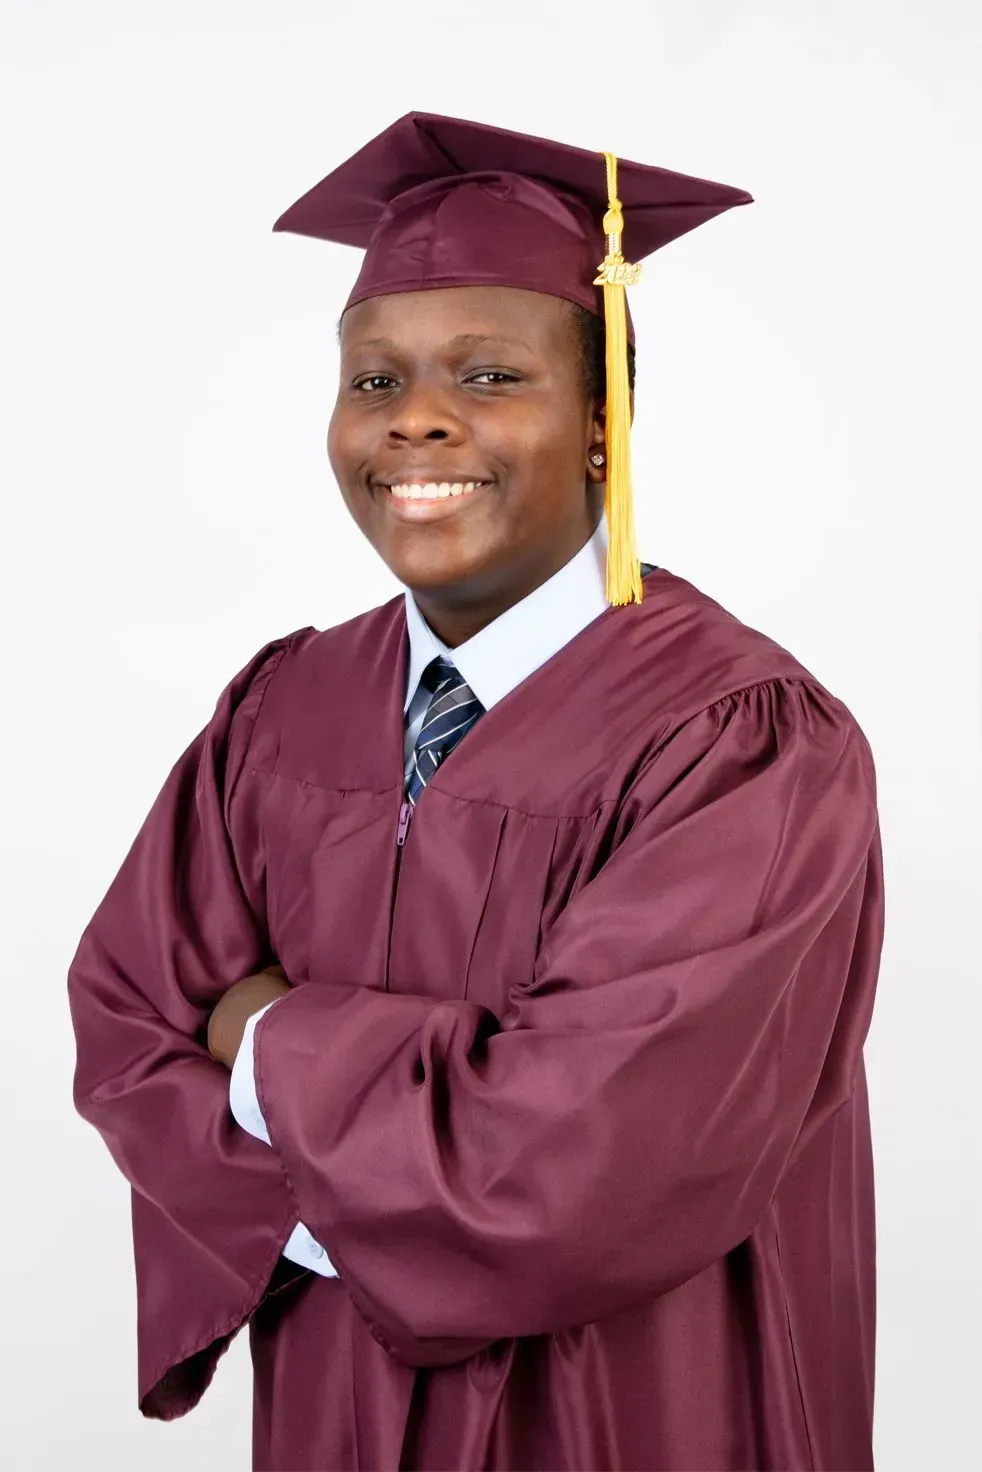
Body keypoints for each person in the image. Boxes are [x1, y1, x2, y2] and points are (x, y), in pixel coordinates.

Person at [68, 112, 884, 1472]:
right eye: (374, 382)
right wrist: (419, 1139)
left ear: (604, 422)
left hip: (634, 1407)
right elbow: (127, 1025)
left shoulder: (740, 743)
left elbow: (582, 1167)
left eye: (491, 373)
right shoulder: (282, 710)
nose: (420, 419)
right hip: (338, 1406)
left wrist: (268, 1043)